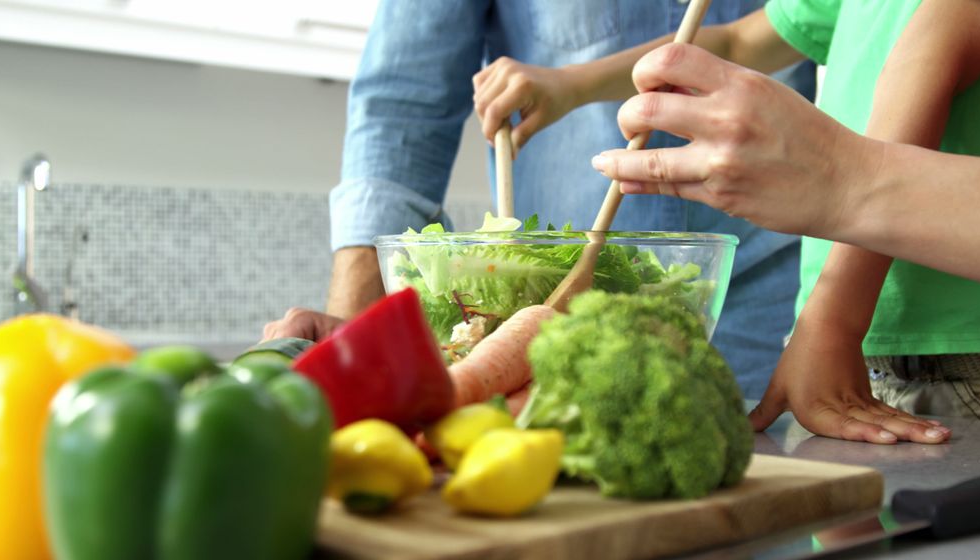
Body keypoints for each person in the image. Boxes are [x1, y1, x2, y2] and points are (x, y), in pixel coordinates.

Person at [265, 0, 819, 398]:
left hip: (752, 293)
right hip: (539, 303)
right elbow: (402, 105)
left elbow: (765, 37)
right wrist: (353, 324)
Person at [583, 0, 980, 442]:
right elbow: (739, 41)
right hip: (843, 352)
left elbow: (927, 59)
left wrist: (833, 321)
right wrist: (566, 85)